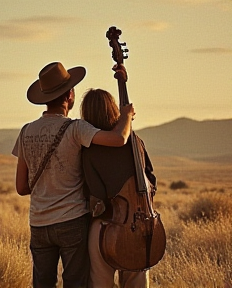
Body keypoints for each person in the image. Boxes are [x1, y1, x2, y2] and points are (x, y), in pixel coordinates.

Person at [12, 61, 134, 288]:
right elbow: (118, 139)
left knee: (42, 283)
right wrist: (126, 116)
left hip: (38, 223)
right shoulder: (76, 128)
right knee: (75, 282)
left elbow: (21, 187)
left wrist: (46, 184)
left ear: (44, 98)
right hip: (72, 221)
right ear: (69, 95)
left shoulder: (26, 131)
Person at [81, 87, 156, 288]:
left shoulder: (88, 148)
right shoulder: (136, 141)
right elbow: (151, 181)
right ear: (114, 109)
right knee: (137, 281)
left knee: (100, 282)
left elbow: (93, 192)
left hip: (104, 226)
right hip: (139, 222)